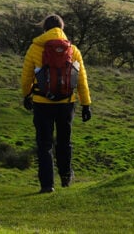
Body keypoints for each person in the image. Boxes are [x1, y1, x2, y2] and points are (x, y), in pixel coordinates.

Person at [21, 14, 92, 193]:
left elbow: (27, 75)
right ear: (62, 28)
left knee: (44, 144)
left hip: (42, 102)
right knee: (64, 142)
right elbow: (81, 79)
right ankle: (66, 179)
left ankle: (47, 185)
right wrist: (86, 104)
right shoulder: (73, 49)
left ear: (44, 29)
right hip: (67, 103)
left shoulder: (35, 48)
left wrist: (26, 95)